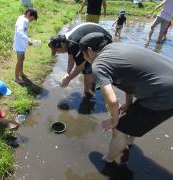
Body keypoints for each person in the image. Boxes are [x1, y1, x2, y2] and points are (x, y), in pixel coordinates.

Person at [79, 32, 173, 163]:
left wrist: (113, 121)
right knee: (132, 113)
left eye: (83, 54)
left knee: (119, 129)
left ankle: (109, 159)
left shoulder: (98, 65)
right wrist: (128, 103)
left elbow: (112, 102)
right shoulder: (117, 47)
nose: (84, 57)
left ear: (89, 50)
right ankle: (128, 141)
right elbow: (129, 79)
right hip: (163, 84)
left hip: (164, 95)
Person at [48, 23, 112, 96]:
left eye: (57, 51)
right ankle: (92, 86)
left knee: (87, 68)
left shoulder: (73, 43)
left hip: (105, 40)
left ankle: (88, 93)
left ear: (61, 45)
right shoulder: (66, 41)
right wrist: (68, 73)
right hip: (95, 39)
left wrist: (68, 79)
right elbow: (71, 58)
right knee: (86, 63)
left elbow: (80, 66)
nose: (58, 53)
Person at [13, 8, 38, 84]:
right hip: (19, 44)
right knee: (20, 61)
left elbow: (23, 32)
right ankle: (16, 78)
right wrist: (28, 40)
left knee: (22, 59)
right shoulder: (22, 21)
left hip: (21, 43)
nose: (31, 20)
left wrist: (27, 40)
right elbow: (19, 32)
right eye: (32, 18)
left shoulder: (23, 19)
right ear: (28, 14)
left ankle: (21, 73)